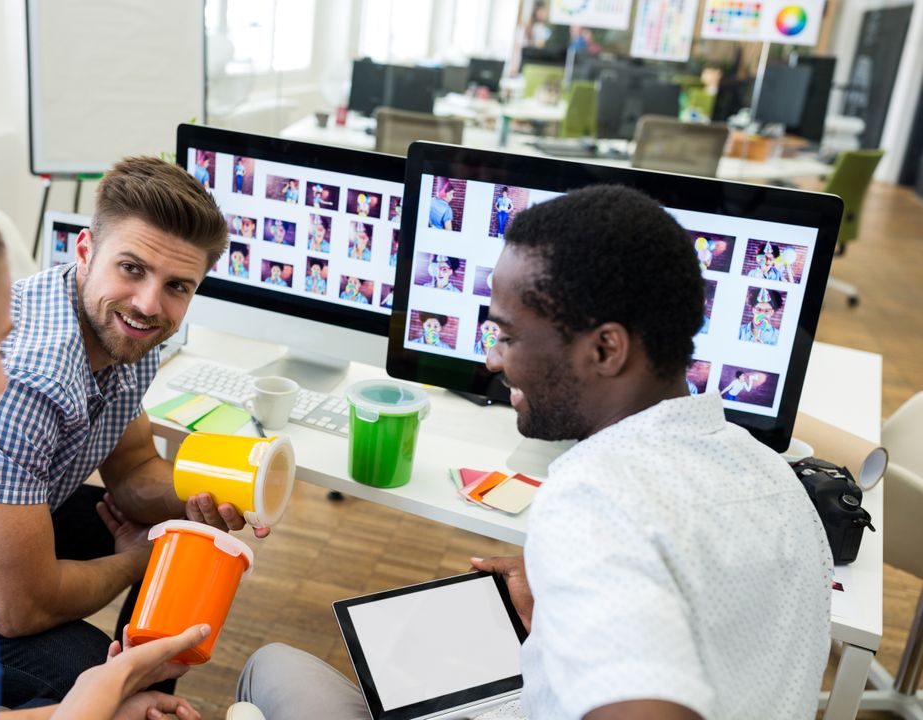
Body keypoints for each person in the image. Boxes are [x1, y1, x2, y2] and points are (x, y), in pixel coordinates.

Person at [237, 185, 831, 719]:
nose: (494, 360)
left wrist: (581, 559)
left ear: (605, 350)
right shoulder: (774, 476)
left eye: (507, 335)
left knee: (273, 665)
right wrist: (559, 618)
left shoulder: (594, 497)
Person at [0, 155, 268, 707]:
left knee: (186, 542)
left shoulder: (127, 331)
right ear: (85, 250)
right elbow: (20, 610)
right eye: (131, 268)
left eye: (177, 285)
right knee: (82, 665)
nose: (149, 304)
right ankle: (118, 697)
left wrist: (214, 489)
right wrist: (133, 561)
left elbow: (134, 470)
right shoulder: (25, 381)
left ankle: (142, 692)